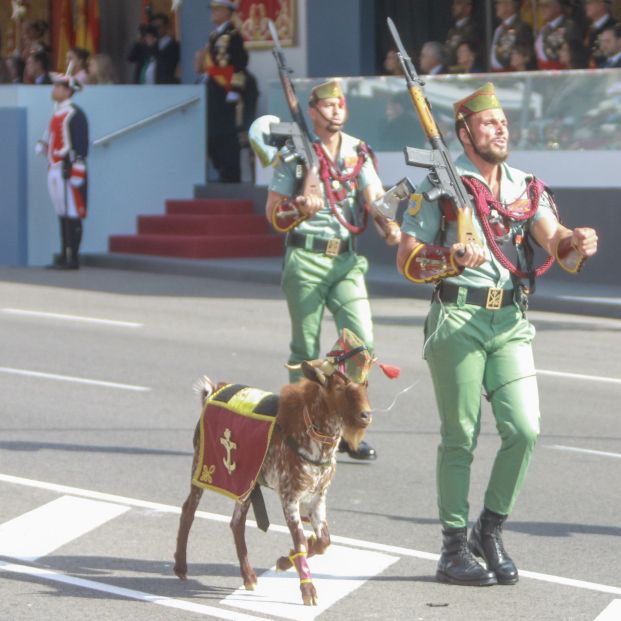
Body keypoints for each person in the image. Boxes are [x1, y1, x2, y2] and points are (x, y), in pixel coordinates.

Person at [396, 82, 598, 586]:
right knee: (460, 437)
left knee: (525, 428)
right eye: (489, 122)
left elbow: (555, 243)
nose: (501, 127)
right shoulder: (439, 187)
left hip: (510, 322)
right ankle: (451, 548)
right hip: (458, 319)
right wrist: (451, 258)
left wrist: (575, 241)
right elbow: (406, 259)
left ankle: (491, 527)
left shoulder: (527, 186)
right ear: (464, 135)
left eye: (503, 120)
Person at [263, 79, 401, 460]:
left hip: (345, 259)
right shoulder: (295, 154)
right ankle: (297, 426)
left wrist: (389, 223)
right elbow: (273, 212)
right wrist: (299, 207)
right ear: (311, 112)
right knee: (305, 350)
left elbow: (377, 198)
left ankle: (348, 428)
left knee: (362, 344)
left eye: (340, 104)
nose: (335, 110)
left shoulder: (358, 151)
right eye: (327, 105)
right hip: (305, 258)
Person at [35, 71, 89, 270]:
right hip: (54, 167)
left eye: (58, 87)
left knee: (72, 212)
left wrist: (78, 167)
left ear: (67, 91)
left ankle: (72, 256)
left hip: (68, 168)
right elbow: (51, 136)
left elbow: (81, 143)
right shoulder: (56, 112)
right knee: (61, 212)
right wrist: (44, 146)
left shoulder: (75, 113)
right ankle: (63, 251)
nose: (54, 90)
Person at [197, 0, 249, 183]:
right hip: (213, 88)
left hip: (226, 90)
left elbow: (240, 64)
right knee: (212, 133)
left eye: (217, 9)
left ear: (227, 12)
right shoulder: (214, 35)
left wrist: (234, 90)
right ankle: (221, 169)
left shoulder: (233, 35)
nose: (213, 13)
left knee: (226, 134)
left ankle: (230, 174)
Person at [535, 0, 583, 69]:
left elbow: (576, 56)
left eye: (546, 6)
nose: (542, 9)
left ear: (557, 7)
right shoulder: (544, 30)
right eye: (540, 6)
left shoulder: (570, 27)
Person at [490, 0, 534, 72]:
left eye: (499, 3)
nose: (496, 6)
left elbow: (524, 57)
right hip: (496, 75)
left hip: (512, 76)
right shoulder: (499, 29)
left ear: (509, 5)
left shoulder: (522, 27)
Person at [444, 0, 481, 68]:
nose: (453, 7)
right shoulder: (452, 31)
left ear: (468, 7)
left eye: (458, 3)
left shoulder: (473, 28)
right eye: (454, 4)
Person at [584, 0, 617, 68]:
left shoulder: (613, 26)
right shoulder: (588, 28)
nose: (586, 6)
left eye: (589, 3)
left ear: (601, 5)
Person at [150, 12, 180, 83]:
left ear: (166, 27)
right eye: (153, 27)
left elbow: (164, 66)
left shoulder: (173, 46)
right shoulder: (154, 44)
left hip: (164, 85)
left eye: (158, 27)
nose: (156, 30)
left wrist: (153, 47)